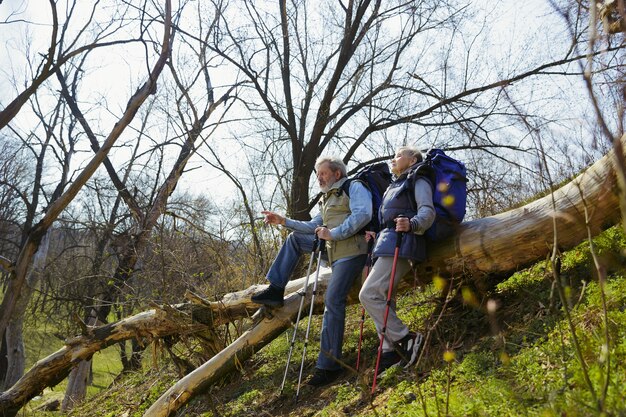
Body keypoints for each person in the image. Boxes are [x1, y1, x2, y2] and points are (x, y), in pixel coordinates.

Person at [251, 156, 372, 386]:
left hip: (352, 252)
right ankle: (276, 289)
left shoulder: (354, 187)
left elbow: (363, 215)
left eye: (322, 174)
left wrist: (333, 234)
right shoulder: (327, 199)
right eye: (317, 175)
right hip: (333, 251)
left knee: (333, 299)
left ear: (337, 173)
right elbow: (310, 227)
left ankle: (328, 366)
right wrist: (283, 221)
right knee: (297, 238)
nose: (318, 179)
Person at [359, 145, 435, 375]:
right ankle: (390, 350)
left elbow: (427, 212)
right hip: (387, 242)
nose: (393, 159)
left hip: (404, 243)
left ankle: (406, 337)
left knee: (368, 294)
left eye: (399, 155)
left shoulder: (417, 180)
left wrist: (412, 224)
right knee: (383, 298)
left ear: (412, 161)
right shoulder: (394, 185)